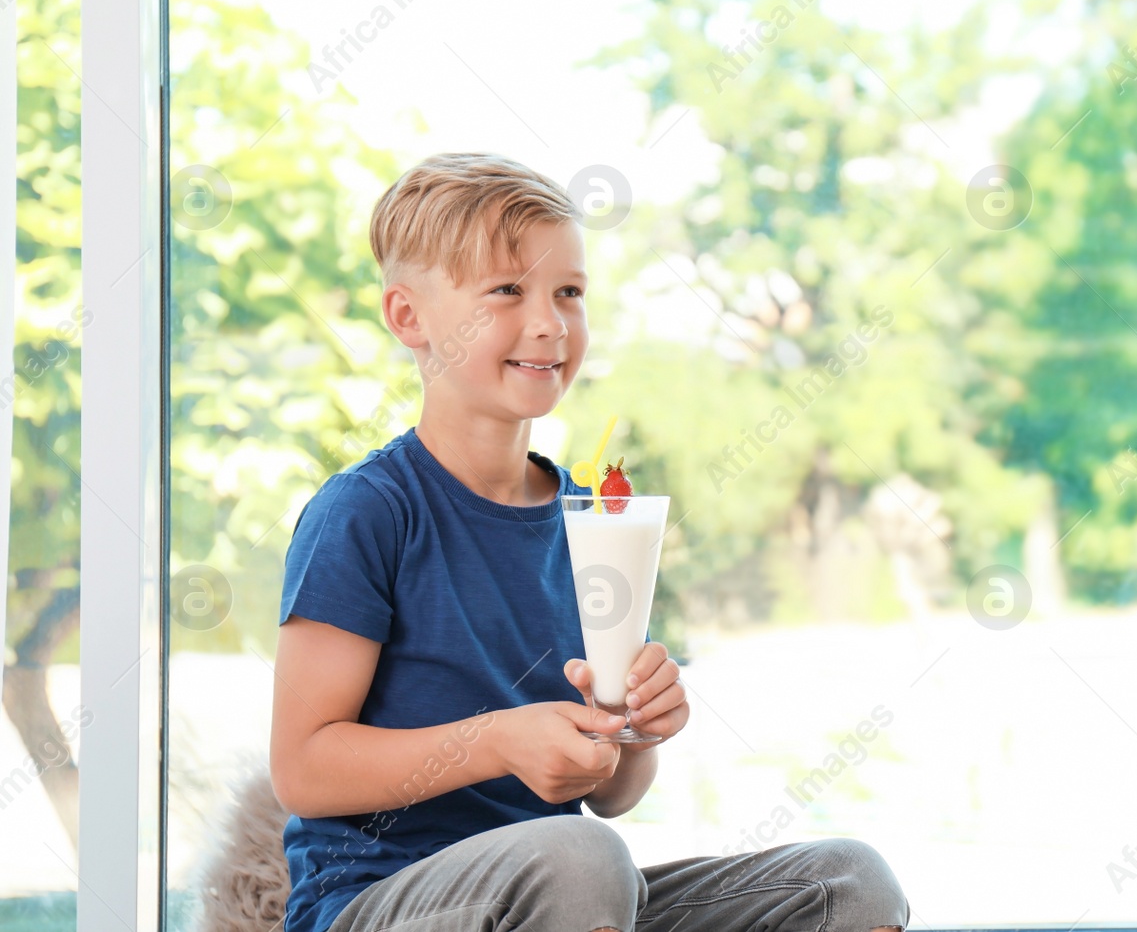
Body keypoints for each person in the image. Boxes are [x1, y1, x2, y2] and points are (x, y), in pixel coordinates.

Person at [269, 152, 910, 932]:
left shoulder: (596, 515)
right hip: (374, 905)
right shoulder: (367, 512)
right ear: (408, 316)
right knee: (582, 859)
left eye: (568, 292)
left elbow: (610, 793)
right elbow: (303, 768)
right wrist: (499, 741)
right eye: (507, 290)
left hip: (568, 890)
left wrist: (634, 731)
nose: (548, 322)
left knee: (851, 883)